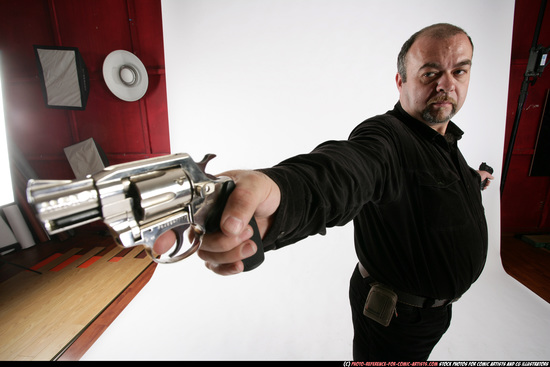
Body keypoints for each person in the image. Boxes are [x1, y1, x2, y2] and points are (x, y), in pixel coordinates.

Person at [155, 23, 495, 361]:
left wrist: (473, 179)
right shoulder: (387, 137)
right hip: (396, 319)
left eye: (459, 71)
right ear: (401, 81)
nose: (446, 84)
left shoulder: (446, 141)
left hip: (435, 315)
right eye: (430, 73)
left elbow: (441, 182)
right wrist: (280, 194)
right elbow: (344, 172)